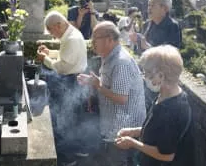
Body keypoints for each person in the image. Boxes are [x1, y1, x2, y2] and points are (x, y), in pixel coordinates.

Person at [77, 21, 146, 166]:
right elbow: (109, 83)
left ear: (109, 39)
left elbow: (121, 98)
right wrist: (93, 82)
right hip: (112, 126)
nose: (92, 42)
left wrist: (98, 85)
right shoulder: (108, 57)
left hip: (124, 129)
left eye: (96, 38)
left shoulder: (121, 62)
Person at [115, 45, 194, 166]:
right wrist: (134, 131)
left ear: (161, 76)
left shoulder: (174, 110)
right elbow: (159, 132)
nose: (145, 77)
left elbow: (166, 155)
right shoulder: (164, 96)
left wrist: (132, 143)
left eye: (147, 74)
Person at [37, 11, 88, 165]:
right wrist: (50, 53)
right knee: (72, 118)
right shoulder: (71, 34)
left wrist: (44, 59)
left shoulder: (71, 38)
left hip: (70, 81)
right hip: (74, 80)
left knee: (67, 119)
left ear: (59, 25)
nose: (52, 35)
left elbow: (62, 67)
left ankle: (69, 157)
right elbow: (64, 55)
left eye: (51, 30)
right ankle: (76, 151)